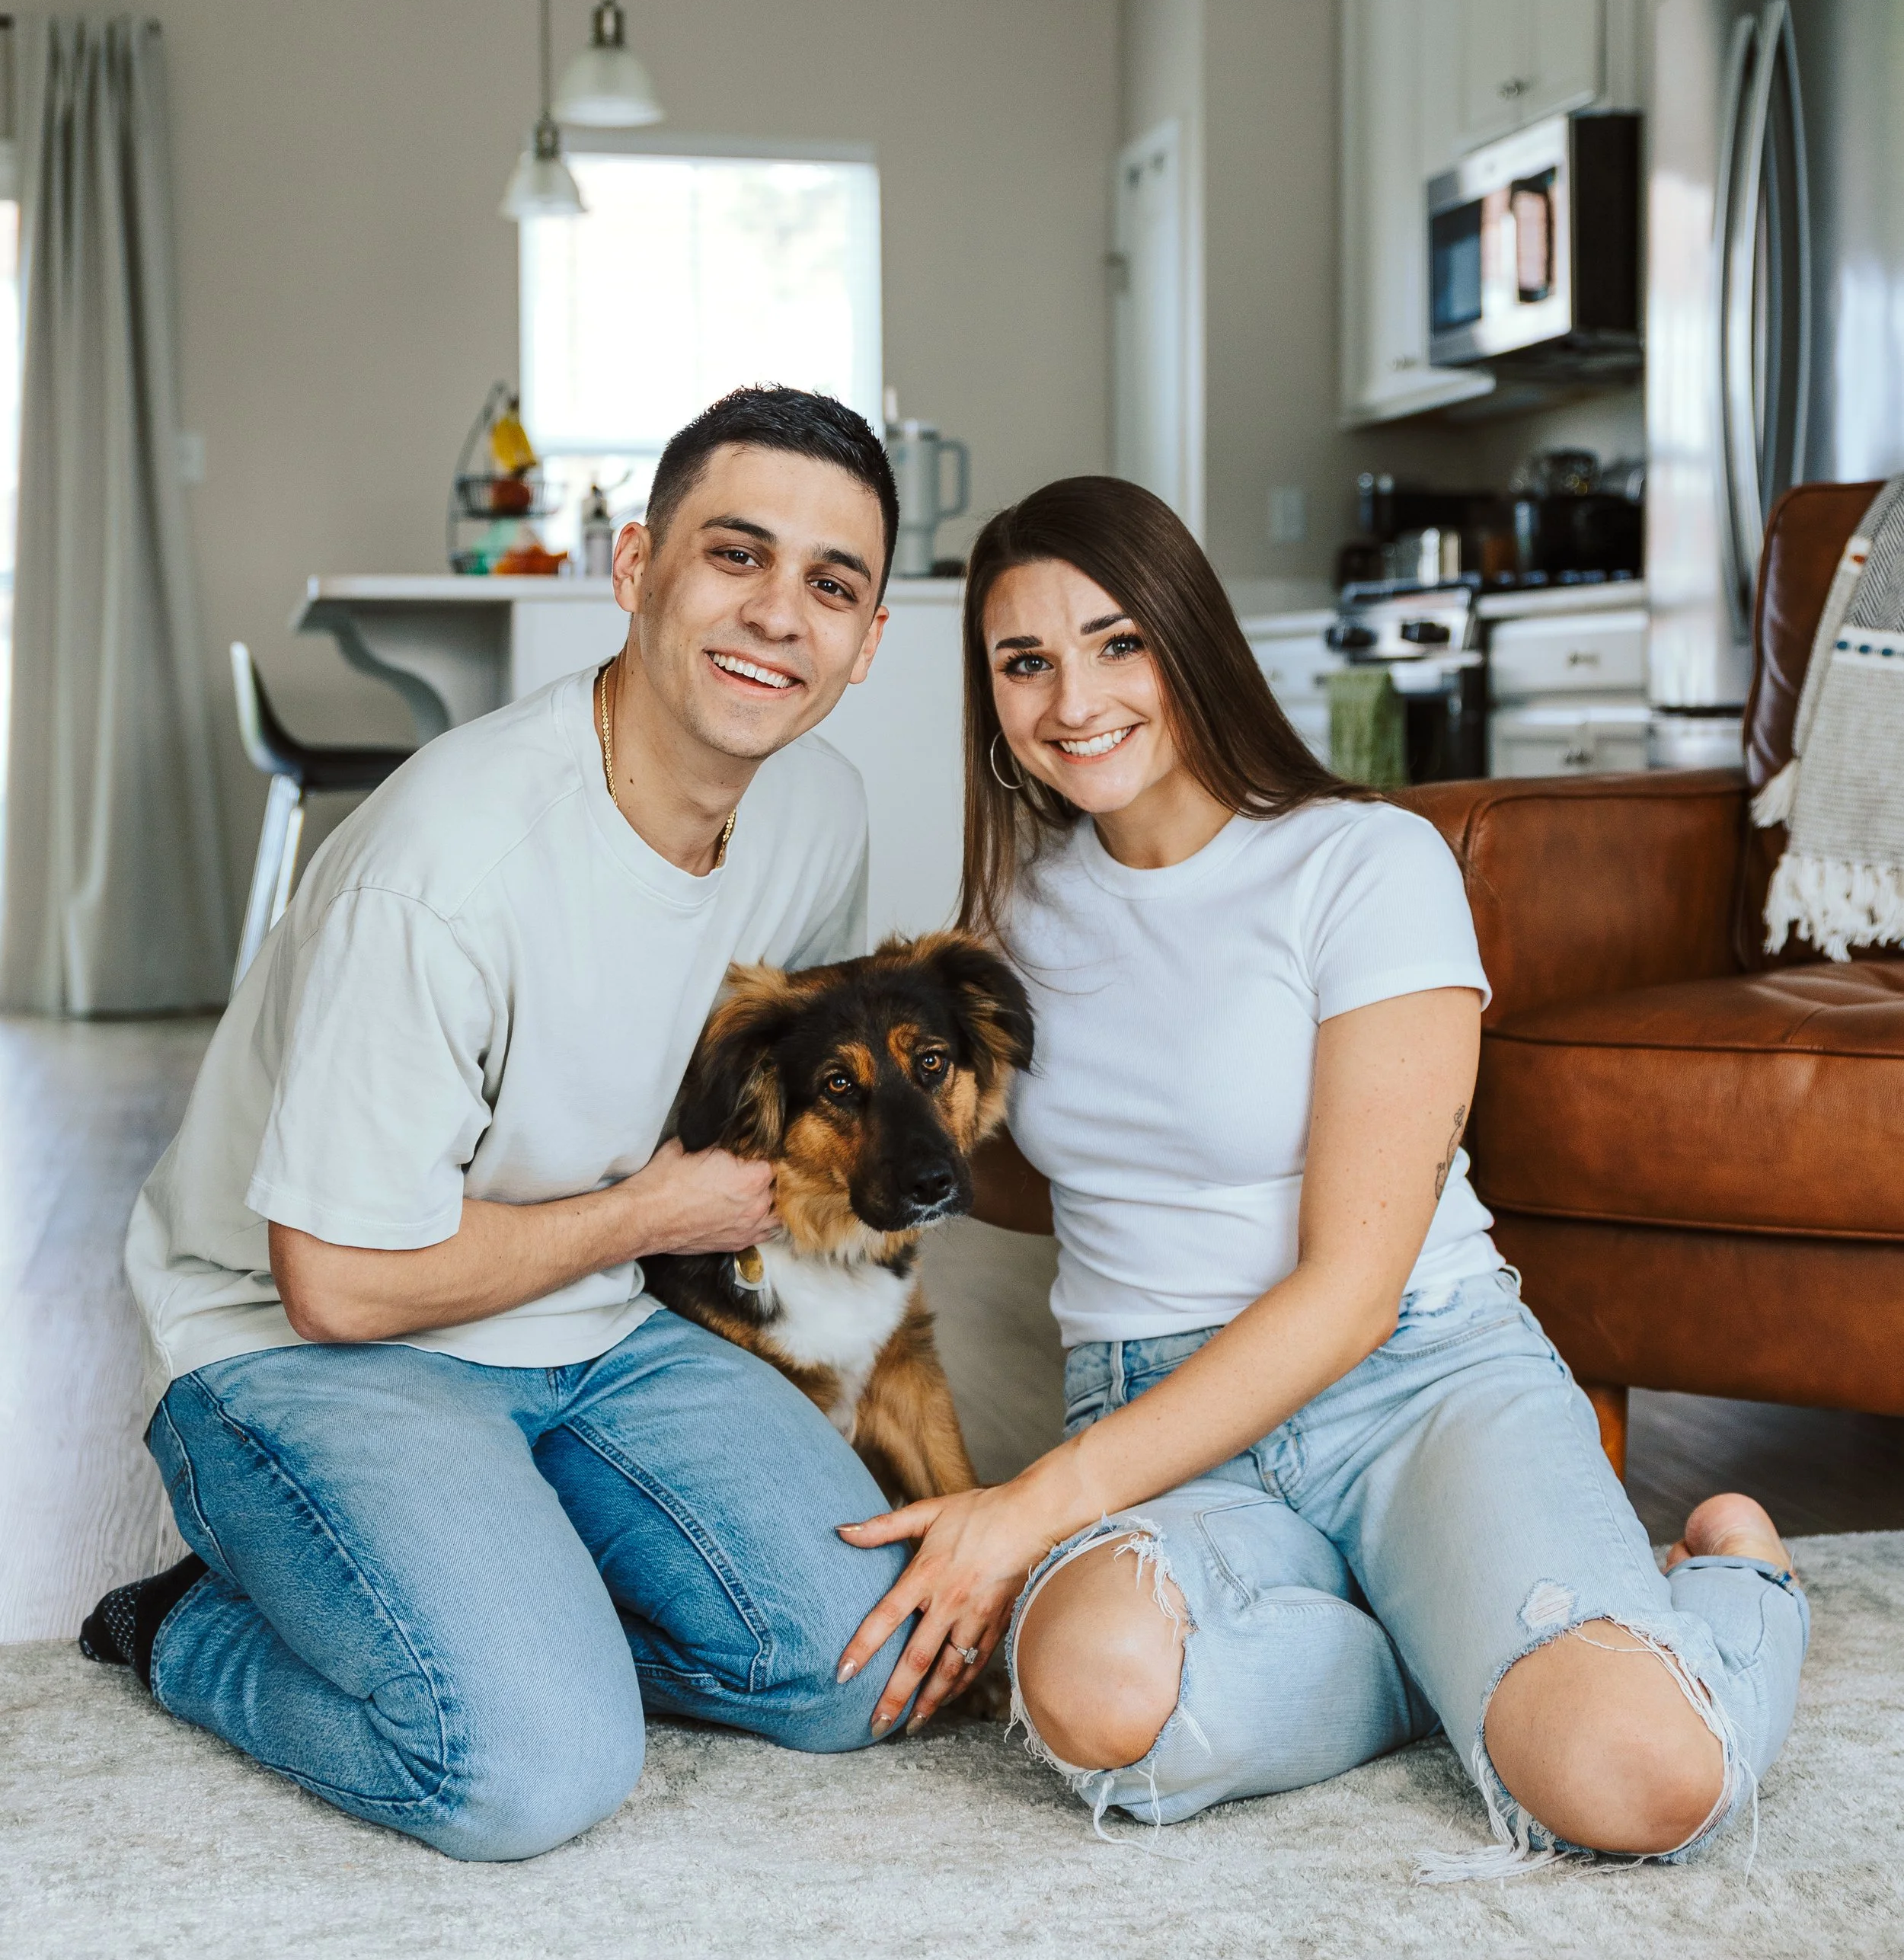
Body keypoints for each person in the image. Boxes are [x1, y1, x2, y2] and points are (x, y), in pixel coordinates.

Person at [835, 476, 1808, 1869]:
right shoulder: (1002, 928)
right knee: (1091, 1693)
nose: (1073, 696)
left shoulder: (1365, 862)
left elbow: (1353, 1291)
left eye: (1117, 642)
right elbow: (1007, 1173)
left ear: (1192, 640)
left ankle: (1742, 1578)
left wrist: (1029, 1505)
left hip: (1417, 1378)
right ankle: (1445, 1645)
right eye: (1024, 660)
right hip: (1162, 1405)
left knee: (1638, 1780)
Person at [83, 385, 922, 1860]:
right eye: (736, 556)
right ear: (635, 569)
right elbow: (331, 1284)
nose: (779, 614)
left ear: (866, 641)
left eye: (830, 584)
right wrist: (648, 1220)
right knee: (528, 1768)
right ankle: (184, 1627)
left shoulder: (821, 817)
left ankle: (511, 1602)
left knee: (869, 1666)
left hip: (589, 1327)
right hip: (305, 1351)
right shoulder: (445, 872)